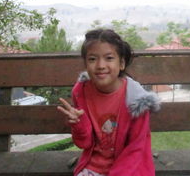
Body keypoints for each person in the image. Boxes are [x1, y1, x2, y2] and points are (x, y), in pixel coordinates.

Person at [57, 29, 160, 176]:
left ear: (122, 63)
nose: (100, 65)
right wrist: (78, 124)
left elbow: (136, 148)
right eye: (92, 59)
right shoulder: (81, 92)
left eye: (109, 58)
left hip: (130, 168)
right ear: (86, 64)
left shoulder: (137, 100)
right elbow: (84, 144)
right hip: (93, 167)